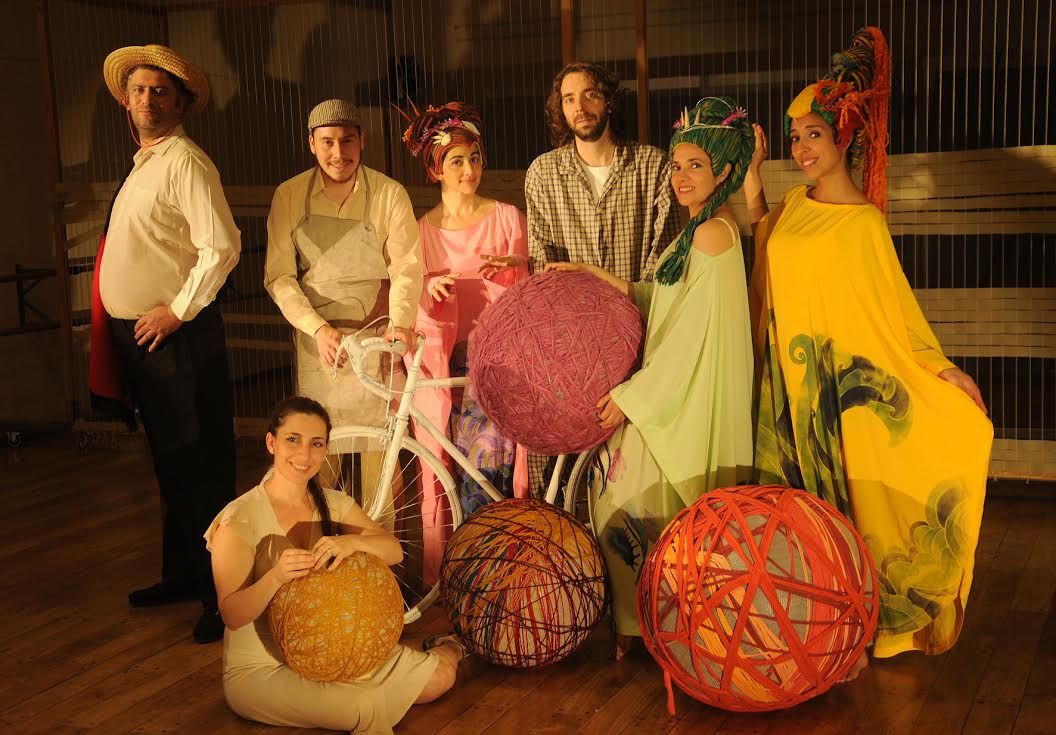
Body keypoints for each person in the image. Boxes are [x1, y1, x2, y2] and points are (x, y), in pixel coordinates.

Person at [745, 27, 993, 671]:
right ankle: (807, 631)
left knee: (844, 512)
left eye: (814, 135)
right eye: (795, 137)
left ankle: (850, 632)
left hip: (838, 395)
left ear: (844, 141)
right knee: (795, 515)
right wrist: (750, 174)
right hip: (786, 389)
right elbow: (763, 243)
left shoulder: (863, 225)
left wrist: (943, 370)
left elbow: (896, 313)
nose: (801, 148)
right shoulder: (793, 206)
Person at [547, 97, 756, 660]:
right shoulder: (696, 233)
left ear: (724, 172)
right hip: (665, 392)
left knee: (628, 501)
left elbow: (688, 339)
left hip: (680, 397)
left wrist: (631, 396)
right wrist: (588, 273)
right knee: (625, 501)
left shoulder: (713, 235)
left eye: (695, 166)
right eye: (677, 165)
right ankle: (650, 626)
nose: (681, 176)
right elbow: (659, 300)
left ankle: (653, 628)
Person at [91, 44, 240, 643]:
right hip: (146, 338)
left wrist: (177, 311)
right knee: (172, 466)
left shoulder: (186, 163)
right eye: (139, 91)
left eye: (160, 92)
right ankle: (182, 576)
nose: (148, 100)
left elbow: (222, 246)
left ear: (181, 104)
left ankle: (221, 597)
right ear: (125, 103)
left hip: (178, 335)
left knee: (200, 468)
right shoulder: (145, 163)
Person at [205, 397, 464, 734]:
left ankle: (451, 646)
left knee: (440, 678)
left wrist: (351, 542)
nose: (304, 454)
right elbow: (232, 615)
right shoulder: (238, 518)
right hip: (262, 670)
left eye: (316, 444)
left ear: (326, 449)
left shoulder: (334, 504)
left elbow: (394, 551)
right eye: (293, 440)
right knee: (366, 706)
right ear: (271, 443)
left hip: (333, 652)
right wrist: (275, 577)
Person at [524, 61, 683, 494]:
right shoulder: (543, 174)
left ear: (609, 101)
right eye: (569, 99)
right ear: (560, 109)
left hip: (639, 343)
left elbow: (664, 264)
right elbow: (544, 265)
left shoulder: (652, 167)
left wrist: (629, 333)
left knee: (633, 478)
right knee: (563, 479)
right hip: (571, 347)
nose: (580, 107)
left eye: (590, 94)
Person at [265, 99, 423, 509]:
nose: (339, 153)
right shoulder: (289, 196)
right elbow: (279, 277)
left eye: (347, 141)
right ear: (311, 144)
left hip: (376, 342)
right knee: (317, 460)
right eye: (328, 142)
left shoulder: (389, 194)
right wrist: (317, 328)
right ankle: (321, 543)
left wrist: (400, 323)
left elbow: (407, 267)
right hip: (319, 346)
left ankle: (377, 545)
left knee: (380, 470)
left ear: (362, 140)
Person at [399, 102, 530, 583]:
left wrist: (515, 270)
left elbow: (529, 292)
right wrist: (429, 290)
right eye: (456, 161)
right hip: (444, 364)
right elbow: (408, 294)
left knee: (487, 464)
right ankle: (456, 573)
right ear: (435, 168)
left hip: (494, 363)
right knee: (446, 466)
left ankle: (494, 567)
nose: (469, 169)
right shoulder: (422, 232)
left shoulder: (507, 218)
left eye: (475, 158)